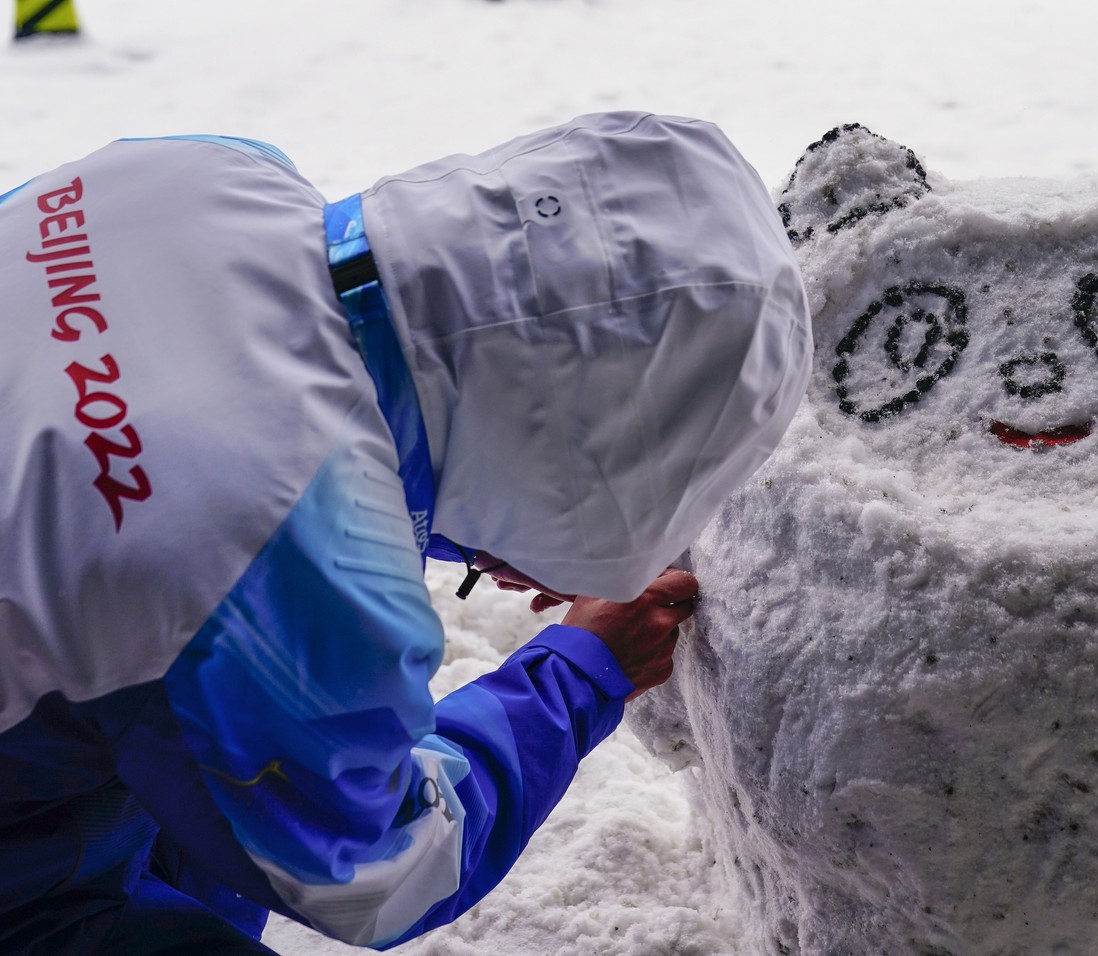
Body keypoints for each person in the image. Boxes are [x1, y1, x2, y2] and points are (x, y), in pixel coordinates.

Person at [0, 112, 811, 953]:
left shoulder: (209, 172)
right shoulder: (261, 552)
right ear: (560, 457)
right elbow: (386, 863)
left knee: (193, 743)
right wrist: (580, 672)